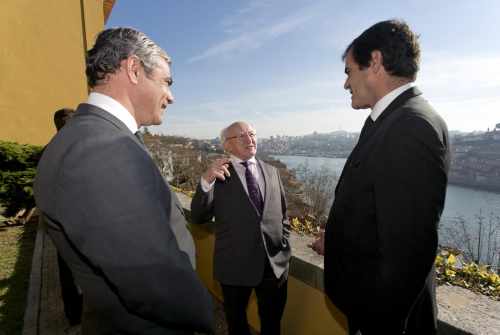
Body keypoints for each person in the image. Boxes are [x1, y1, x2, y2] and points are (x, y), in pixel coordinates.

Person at [34, 27, 214, 335]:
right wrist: (204, 316)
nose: (170, 95)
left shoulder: (94, 136)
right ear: (133, 69)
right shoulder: (101, 148)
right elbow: (151, 281)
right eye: (166, 82)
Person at [311, 20, 450, 334]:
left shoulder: (410, 127)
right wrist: (337, 242)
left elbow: (407, 254)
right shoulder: (391, 119)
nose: (346, 83)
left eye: (348, 71)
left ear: (373, 62)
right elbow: (380, 217)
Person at [191, 121, 291, 335]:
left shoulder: (272, 172)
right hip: (234, 267)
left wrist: (284, 248)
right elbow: (198, 217)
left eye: (252, 134)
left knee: (272, 324)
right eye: (241, 136)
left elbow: (283, 216)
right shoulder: (217, 175)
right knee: (237, 325)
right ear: (227, 145)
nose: (250, 139)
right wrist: (205, 181)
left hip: (274, 266)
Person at [52, 107, 83, 327]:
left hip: (58, 222)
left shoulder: (47, 151)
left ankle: (73, 314)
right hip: (78, 221)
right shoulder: (77, 150)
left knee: (67, 270)